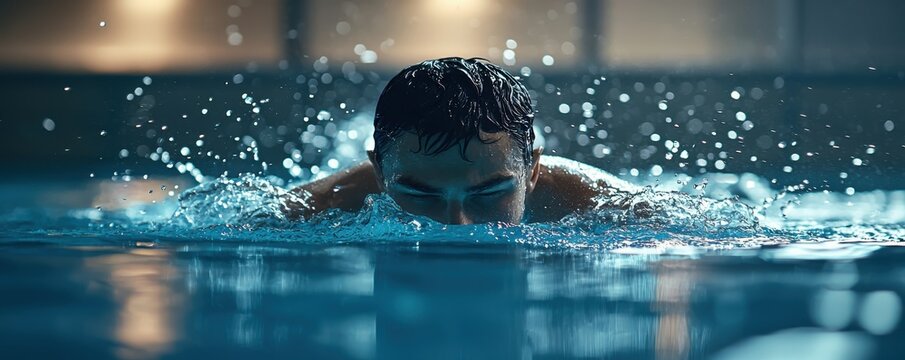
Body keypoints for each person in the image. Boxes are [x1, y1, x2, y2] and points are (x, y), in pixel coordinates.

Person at [288, 57, 637, 224]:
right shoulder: (315, 208)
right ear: (378, 172)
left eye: (488, 193)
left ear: (532, 172)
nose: (456, 225)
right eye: (420, 194)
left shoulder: (603, 205)